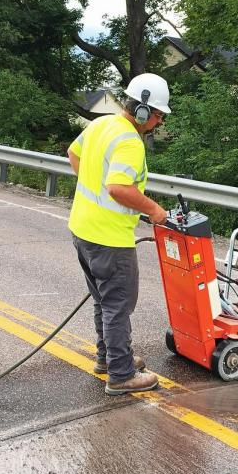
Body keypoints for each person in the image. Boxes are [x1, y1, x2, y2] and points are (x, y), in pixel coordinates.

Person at [67, 73, 169, 395]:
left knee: (103, 301)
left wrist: (93, 189)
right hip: (109, 239)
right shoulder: (129, 141)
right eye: (158, 115)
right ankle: (122, 374)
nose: (159, 122)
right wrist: (154, 210)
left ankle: (108, 358)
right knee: (117, 305)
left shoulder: (101, 124)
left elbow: (74, 155)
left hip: (83, 229)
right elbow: (118, 188)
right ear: (142, 111)